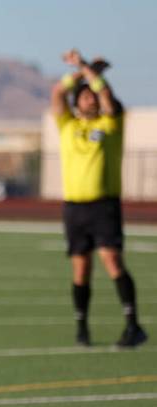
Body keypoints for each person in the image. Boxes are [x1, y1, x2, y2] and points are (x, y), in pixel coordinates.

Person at [50, 49, 146, 348]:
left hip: (104, 205)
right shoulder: (68, 126)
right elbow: (57, 93)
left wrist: (90, 71)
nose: (90, 98)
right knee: (81, 268)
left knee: (111, 259)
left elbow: (106, 97)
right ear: (77, 101)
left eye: (93, 95)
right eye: (85, 95)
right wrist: (81, 72)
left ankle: (133, 326)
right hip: (75, 207)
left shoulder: (110, 125)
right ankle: (82, 327)